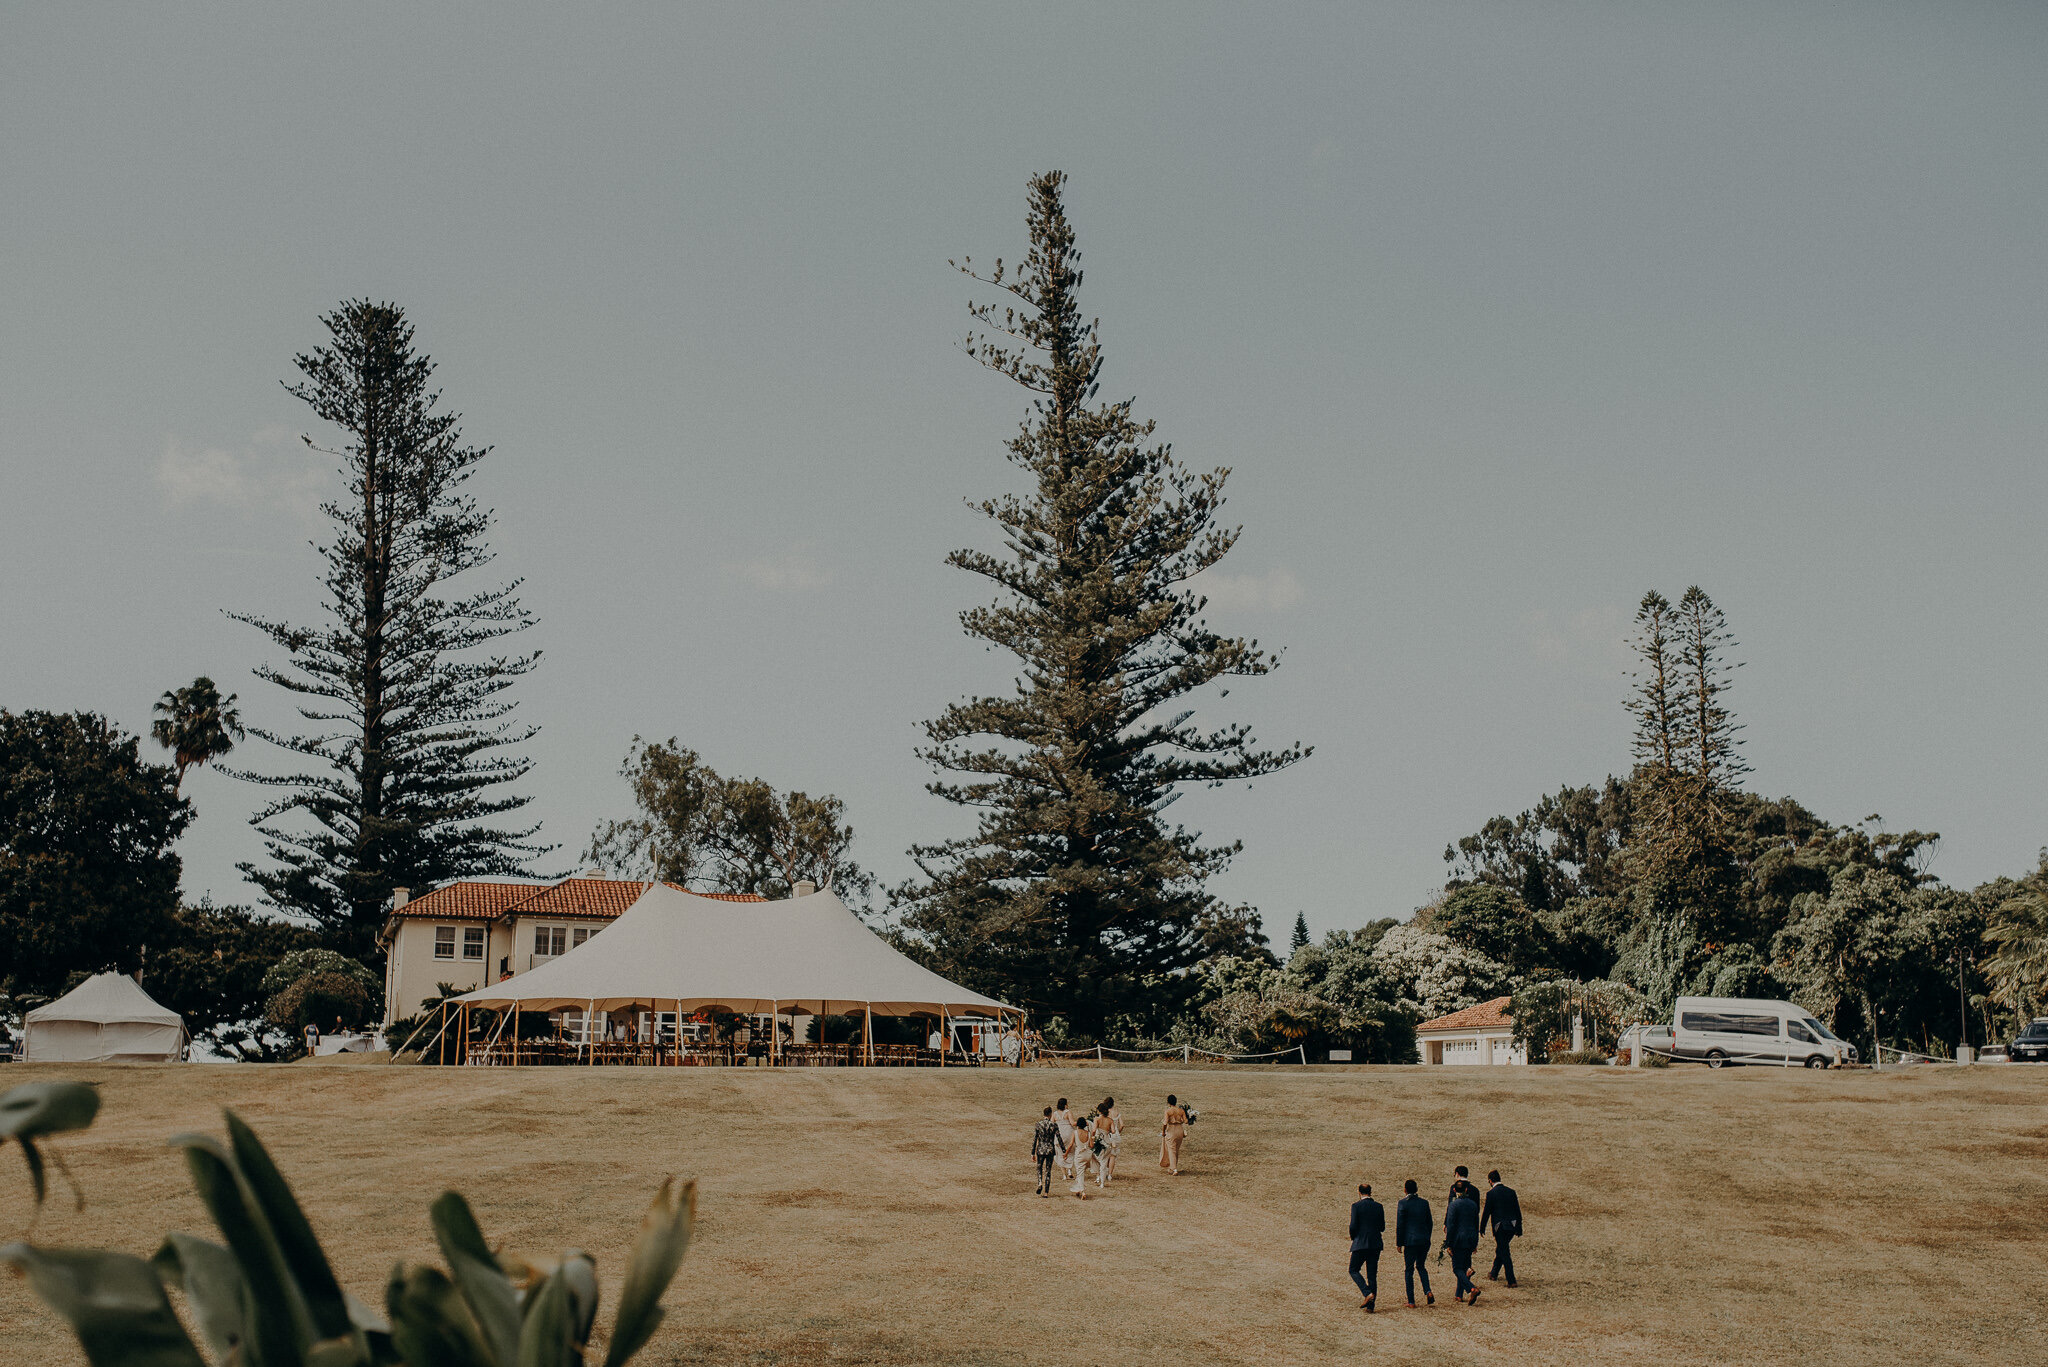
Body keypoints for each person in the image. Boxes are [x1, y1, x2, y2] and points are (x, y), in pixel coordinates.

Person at [1395, 1180, 1434, 1306]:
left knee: (1409, 1270)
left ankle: (1411, 1300)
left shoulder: (1403, 1203)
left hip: (1410, 1241)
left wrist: (1399, 1242)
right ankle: (1428, 1291)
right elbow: (1430, 1222)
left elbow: (1400, 1225)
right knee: (1421, 1266)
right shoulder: (1424, 1203)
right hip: (1423, 1240)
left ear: (1405, 1190)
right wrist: (1427, 1237)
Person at [1481, 1169, 1522, 1286]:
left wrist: (1482, 1227)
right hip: (1512, 1226)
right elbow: (1517, 1211)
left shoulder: (1491, 1194)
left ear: (1490, 1181)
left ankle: (1511, 1280)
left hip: (1500, 1227)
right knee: (1501, 1249)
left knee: (1504, 1253)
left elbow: (1486, 1212)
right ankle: (1493, 1273)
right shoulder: (1511, 1192)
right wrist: (1519, 1227)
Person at [1348, 1183, 1384, 1312]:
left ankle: (1367, 1293)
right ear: (1371, 1192)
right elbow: (1382, 1227)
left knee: (1353, 1269)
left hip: (1361, 1243)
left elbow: (1353, 1226)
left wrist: (1354, 1237)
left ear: (1359, 1192)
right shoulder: (1379, 1206)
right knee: (1372, 1274)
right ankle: (1371, 1306)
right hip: (1375, 1243)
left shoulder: (1356, 1206)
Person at [1444, 1181, 1481, 1304]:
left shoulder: (1453, 1205)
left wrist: (1448, 1243)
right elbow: (1476, 1225)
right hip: (1470, 1239)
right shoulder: (1473, 1205)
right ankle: (1459, 1295)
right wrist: (1475, 1243)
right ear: (1466, 1190)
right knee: (1464, 1266)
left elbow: (1451, 1225)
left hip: (1458, 1240)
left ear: (1454, 1191)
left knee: (1457, 1268)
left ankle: (1471, 1288)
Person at [1031, 1106, 1061, 1196]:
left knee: (1039, 1168)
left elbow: (1035, 1139)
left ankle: (1040, 1183)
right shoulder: (1053, 1125)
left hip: (1040, 1149)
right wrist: (1064, 1150)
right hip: (1050, 1149)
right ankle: (1046, 1192)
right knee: (1048, 1170)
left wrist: (1032, 1152)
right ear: (1050, 1114)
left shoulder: (1038, 1124)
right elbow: (1059, 1138)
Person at [1159, 1094, 1189, 1175]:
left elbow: (1165, 1123)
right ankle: (1172, 1168)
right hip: (1180, 1130)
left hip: (1171, 1130)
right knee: (1176, 1150)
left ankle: (1174, 1169)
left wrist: (1163, 1132)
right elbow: (1186, 1121)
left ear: (1168, 1102)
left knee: (1172, 1149)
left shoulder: (1168, 1111)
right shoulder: (1181, 1111)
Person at [1096, 1097, 1123, 1184]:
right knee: (1112, 1156)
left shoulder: (1105, 1113)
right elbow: (1122, 1125)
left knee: (1104, 1155)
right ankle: (1110, 1175)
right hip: (1116, 1135)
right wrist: (1119, 1132)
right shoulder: (1117, 1112)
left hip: (1107, 1135)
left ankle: (1103, 1172)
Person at [1066, 1114, 1093, 1198]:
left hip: (1079, 1155)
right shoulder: (1088, 1133)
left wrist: (1066, 1154)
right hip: (1088, 1155)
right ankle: (1077, 1189)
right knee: (1080, 1172)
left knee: (1080, 1173)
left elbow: (1070, 1145)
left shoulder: (1075, 1133)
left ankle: (1083, 1191)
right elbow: (1091, 1145)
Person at [1053, 1098, 1076, 1179]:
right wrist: (1082, 1122)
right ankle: (1069, 1170)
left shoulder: (1054, 1114)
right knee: (1070, 1151)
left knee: (1060, 1153)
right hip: (1068, 1133)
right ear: (1065, 1104)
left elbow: (1051, 1125)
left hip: (1059, 1134)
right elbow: (1073, 1123)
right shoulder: (1068, 1112)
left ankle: (1064, 1175)